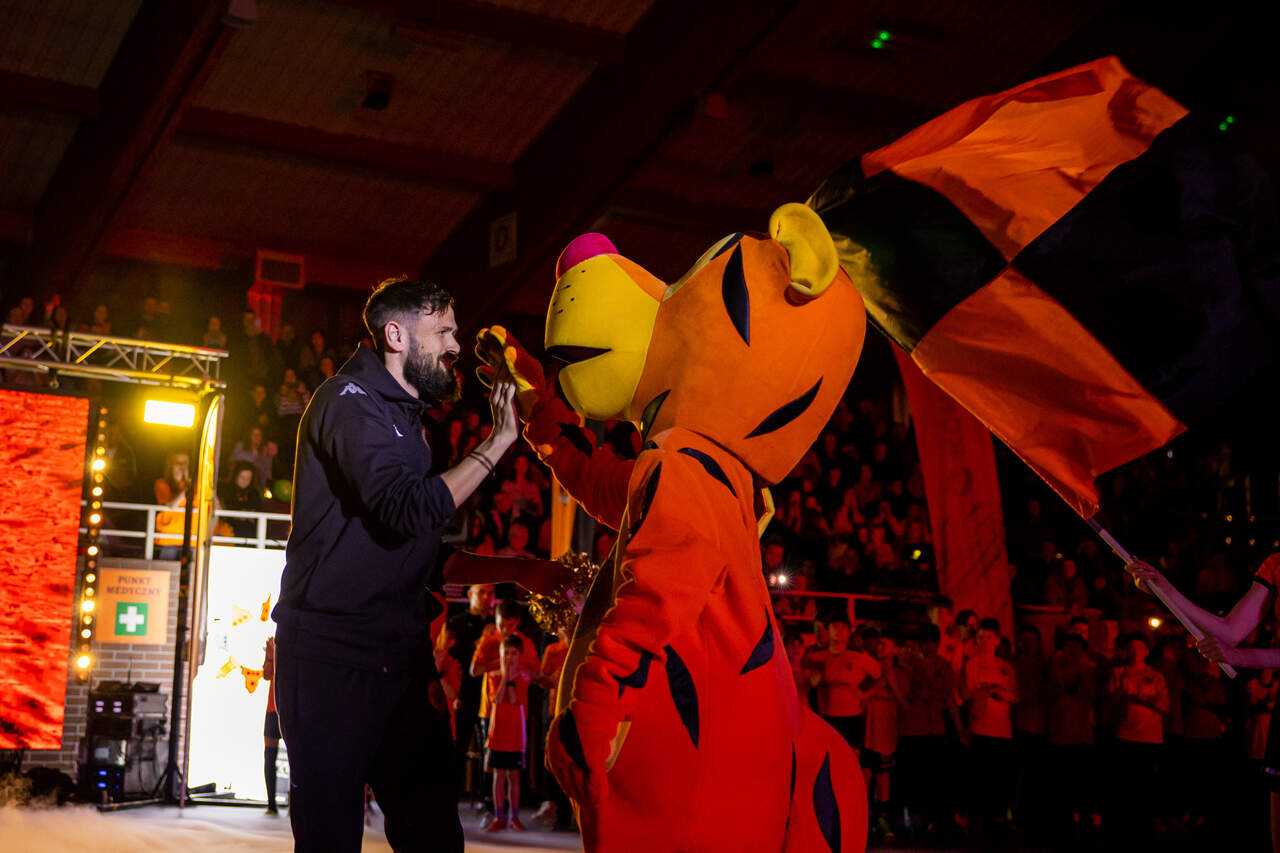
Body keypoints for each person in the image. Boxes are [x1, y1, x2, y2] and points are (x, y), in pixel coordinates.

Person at [271, 277, 519, 853]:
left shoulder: (408, 421)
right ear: (396, 336)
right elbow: (407, 509)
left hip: (399, 660)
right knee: (330, 840)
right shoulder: (348, 402)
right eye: (444, 331)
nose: (455, 345)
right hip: (331, 659)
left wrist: (528, 572)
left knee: (433, 836)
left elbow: (421, 556)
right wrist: (497, 443)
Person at [1127, 553, 1280, 850]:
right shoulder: (1276, 564)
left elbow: (1234, 648)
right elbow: (1230, 631)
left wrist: (1240, 657)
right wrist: (1165, 589)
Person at [962, 618, 1018, 841]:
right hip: (980, 727)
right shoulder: (972, 664)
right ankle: (978, 822)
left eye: (988, 637)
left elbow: (1015, 695)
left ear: (997, 640)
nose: (984, 641)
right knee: (980, 777)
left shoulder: (1006, 667)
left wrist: (1002, 693)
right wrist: (990, 690)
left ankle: (999, 819)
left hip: (1003, 729)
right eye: (981, 638)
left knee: (1000, 777)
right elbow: (968, 693)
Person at [804, 613, 882, 755]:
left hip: (852, 717)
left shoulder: (858, 655)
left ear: (849, 631)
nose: (839, 631)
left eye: (843, 628)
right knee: (827, 755)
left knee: (852, 756)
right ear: (827, 630)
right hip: (825, 716)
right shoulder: (815, 656)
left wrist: (865, 695)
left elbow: (880, 675)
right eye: (835, 627)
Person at [484, 634, 535, 832]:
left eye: (513, 653)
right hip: (498, 733)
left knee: (514, 776)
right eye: (505, 653)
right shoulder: (493, 675)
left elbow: (514, 700)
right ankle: (499, 816)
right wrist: (505, 676)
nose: (509, 657)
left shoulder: (524, 677)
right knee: (499, 775)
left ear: (520, 655)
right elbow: (497, 700)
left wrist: (511, 679)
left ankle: (514, 816)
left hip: (515, 734)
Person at [262, 636, 281, 815]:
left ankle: (295, 804)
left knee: (295, 758)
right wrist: (270, 655)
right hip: (272, 708)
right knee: (269, 756)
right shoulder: (273, 643)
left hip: (290, 708)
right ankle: (271, 804)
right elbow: (266, 674)